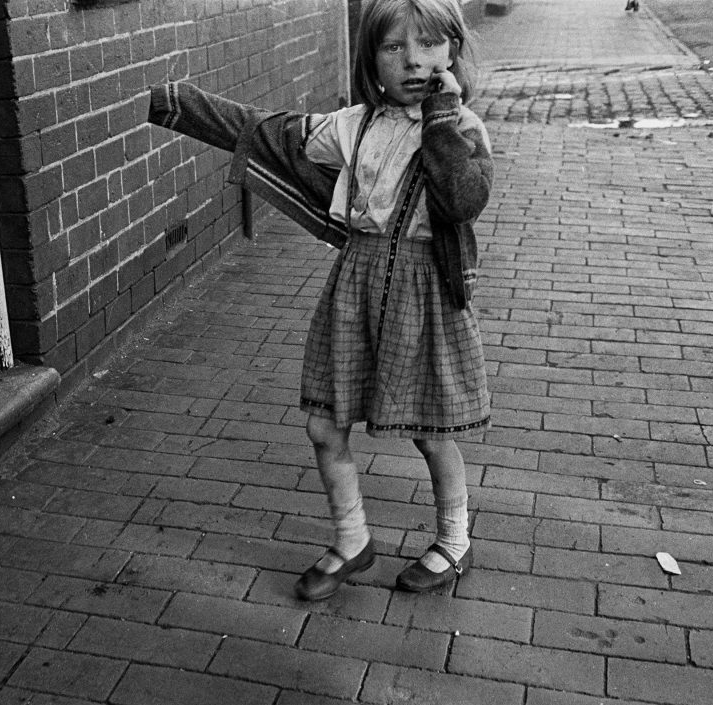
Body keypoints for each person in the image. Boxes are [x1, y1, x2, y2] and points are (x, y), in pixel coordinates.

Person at [147, 0, 493, 600]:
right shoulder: (353, 127)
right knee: (323, 424)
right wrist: (174, 104)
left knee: (431, 430)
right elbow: (267, 132)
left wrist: (439, 116)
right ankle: (352, 539)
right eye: (394, 47)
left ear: (453, 51)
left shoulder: (462, 130)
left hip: (425, 298)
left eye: (429, 44)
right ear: (371, 58)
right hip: (354, 289)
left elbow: (462, 199)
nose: (413, 61)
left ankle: (454, 541)